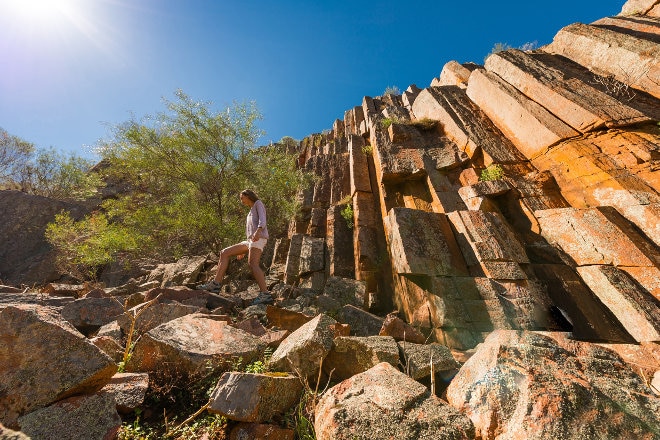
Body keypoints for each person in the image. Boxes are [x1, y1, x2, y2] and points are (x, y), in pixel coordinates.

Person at [199, 189, 273, 305]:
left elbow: (262, 220)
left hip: (258, 238)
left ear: (248, 196)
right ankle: (215, 284)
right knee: (224, 252)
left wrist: (258, 231)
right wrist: (245, 248)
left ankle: (265, 294)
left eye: (242, 198)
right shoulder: (250, 211)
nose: (241, 201)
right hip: (250, 241)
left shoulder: (258, 204)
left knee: (252, 264)